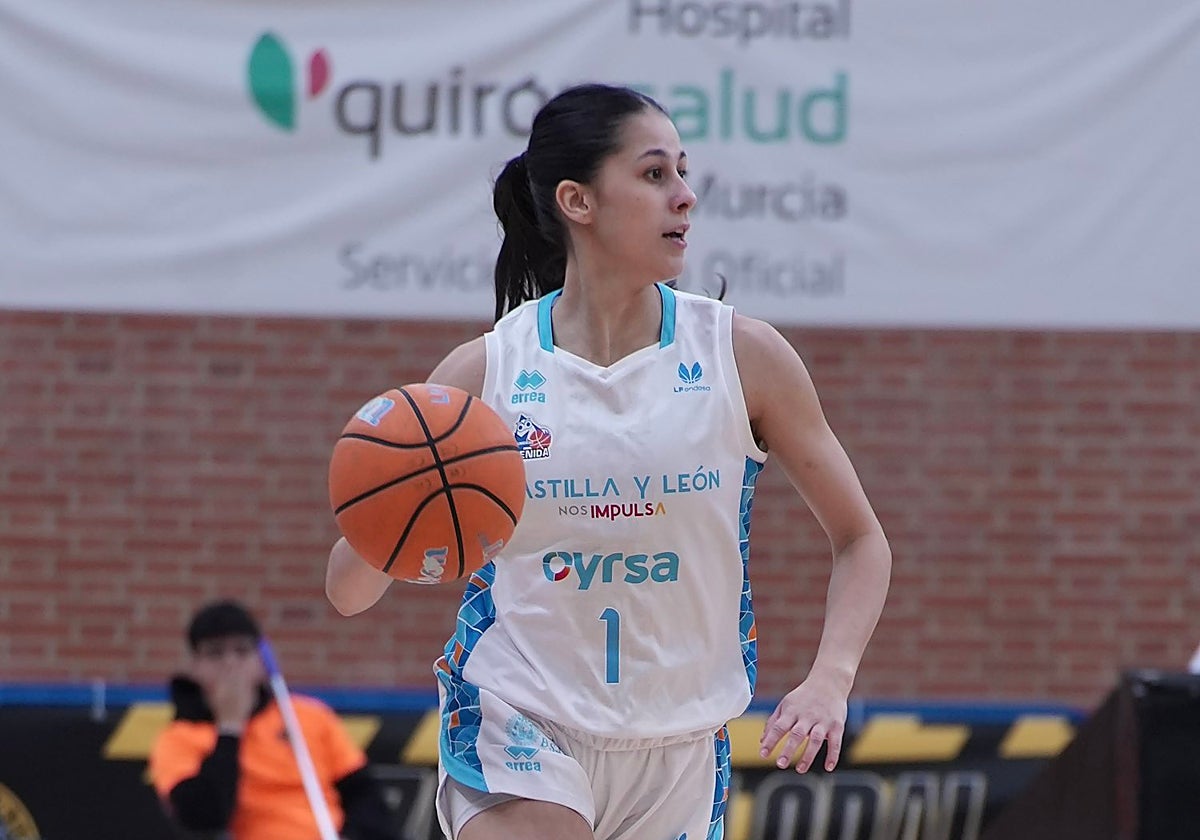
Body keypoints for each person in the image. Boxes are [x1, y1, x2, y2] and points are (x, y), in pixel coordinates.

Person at [326, 83, 892, 840]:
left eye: (684, 173)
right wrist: (389, 521)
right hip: (519, 713)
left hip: (680, 743)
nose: (685, 197)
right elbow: (347, 593)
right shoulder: (487, 372)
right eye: (655, 174)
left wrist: (831, 680)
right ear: (578, 201)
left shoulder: (742, 356)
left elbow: (862, 541)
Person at [148, 599, 397, 840]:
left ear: (260, 659)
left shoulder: (308, 717)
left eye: (242, 651)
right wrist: (229, 728)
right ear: (195, 665)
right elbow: (201, 817)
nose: (231, 663)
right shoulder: (178, 739)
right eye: (215, 653)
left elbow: (363, 795)